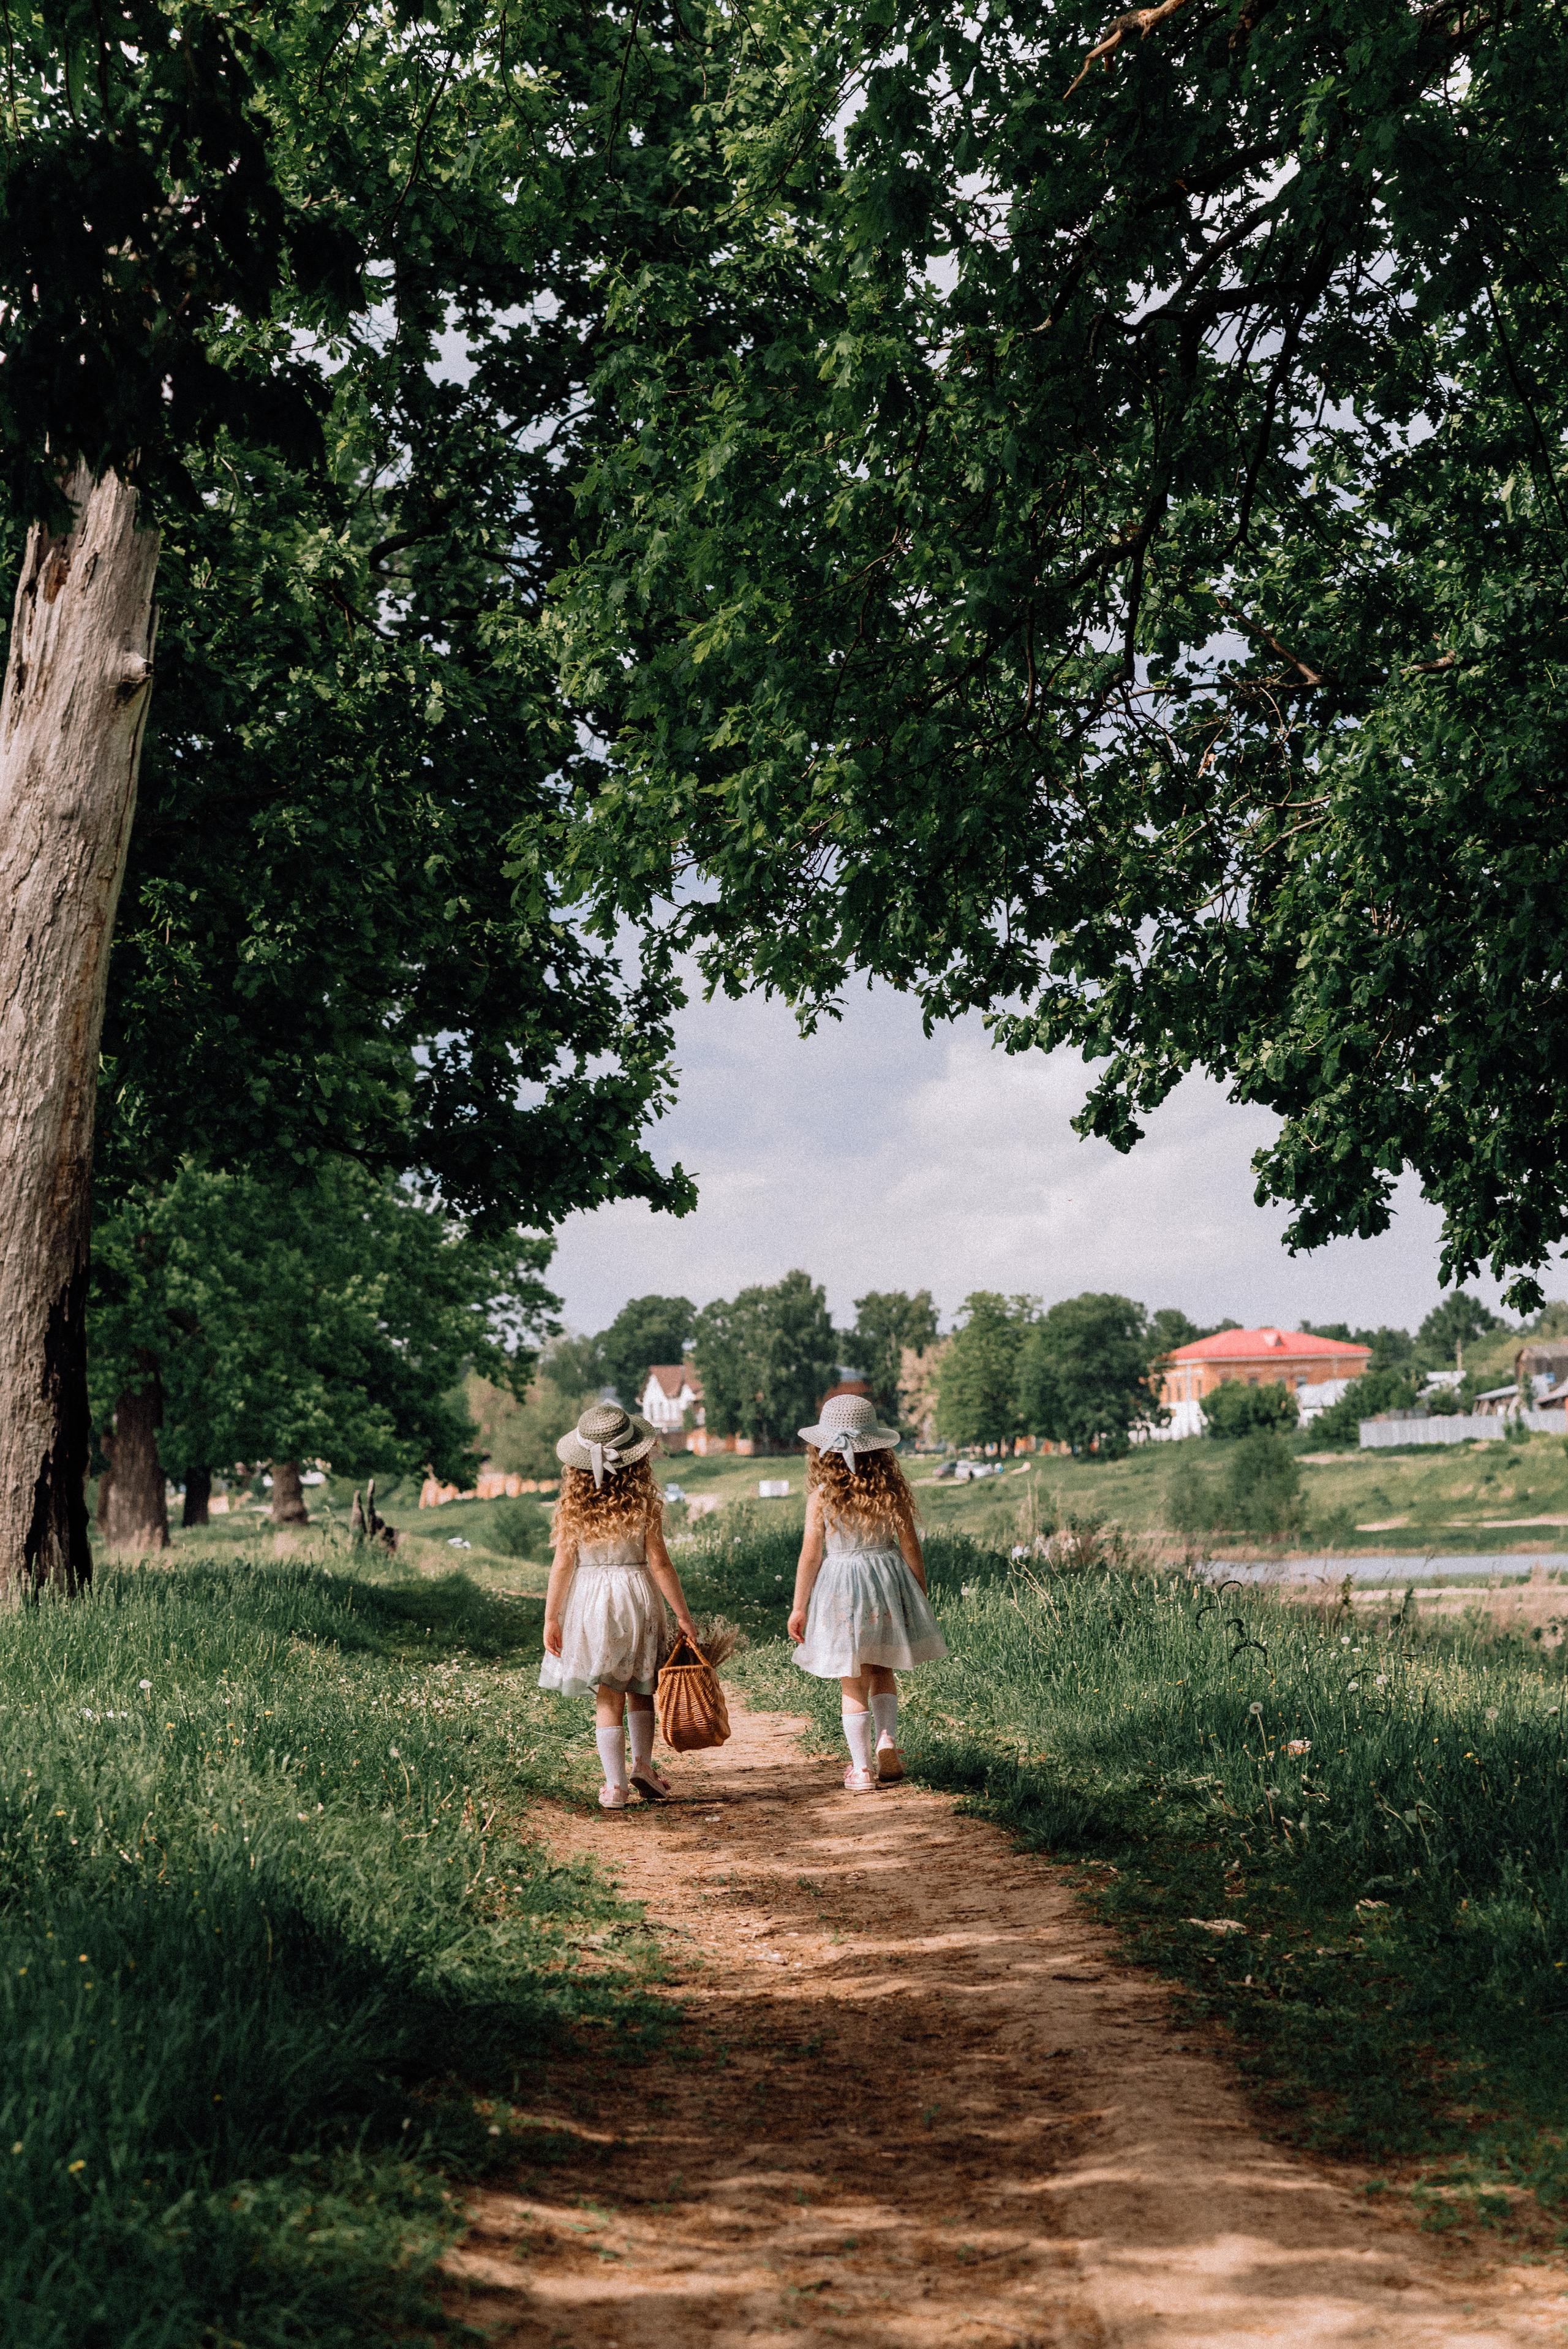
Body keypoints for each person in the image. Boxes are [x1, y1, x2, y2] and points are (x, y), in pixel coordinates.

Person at [540, 1403, 699, 1809]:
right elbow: (660, 1563)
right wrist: (683, 1616)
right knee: (642, 1686)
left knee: (608, 1695)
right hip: (637, 1596)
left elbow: (562, 1565)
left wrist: (552, 1617)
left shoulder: (573, 1505)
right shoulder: (644, 1501)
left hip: (591, 1602)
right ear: (635, 1458)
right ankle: (643, 1765)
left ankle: (614, 1787)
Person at [786, 1394, 948, 1791]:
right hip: (887, 1584)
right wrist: (918, 1593)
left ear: (825, 1449)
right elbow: (911, 1547)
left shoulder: (822, 1495)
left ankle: (860, 1770)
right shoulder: (891, 1491)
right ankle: (886, 1739)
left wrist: (799, 1607)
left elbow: (811, 1555)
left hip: (842, 1588)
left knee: (852, 1678)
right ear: (877, 1447)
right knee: (882, 1668)